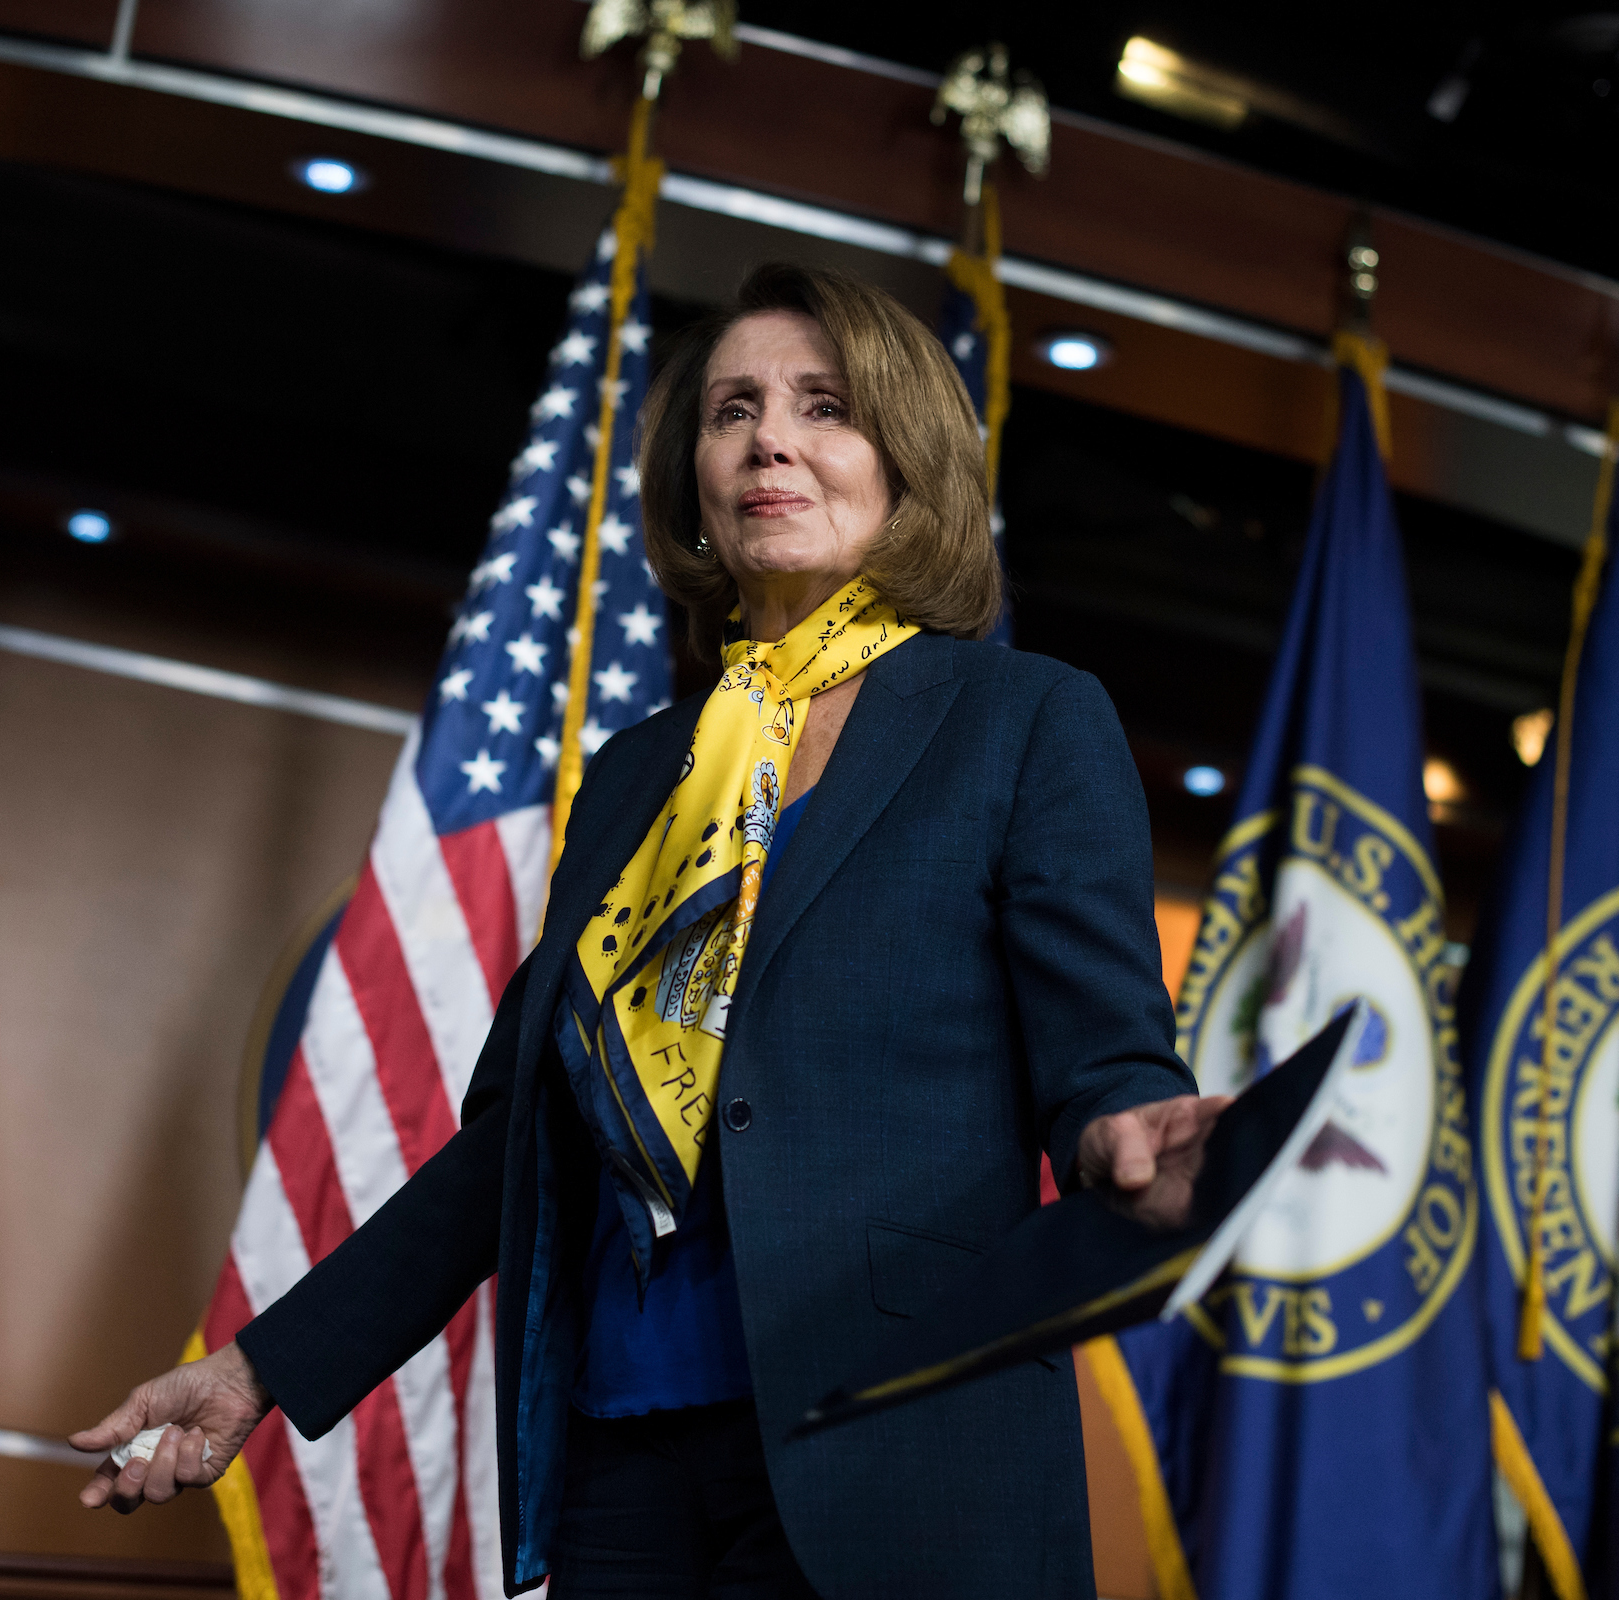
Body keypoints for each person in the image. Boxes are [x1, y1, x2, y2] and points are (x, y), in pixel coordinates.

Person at [71, 263, 1230, 1599]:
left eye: (823, 407)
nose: (768, 440)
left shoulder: (1022, 719)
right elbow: (516, 1146)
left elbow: (1103, 1060)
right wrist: (258, 1368)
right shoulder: (637, 778)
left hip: (897, 1444)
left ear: (907, 456)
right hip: (623, 1451)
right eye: (733, 409)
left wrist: (1132, 1130)